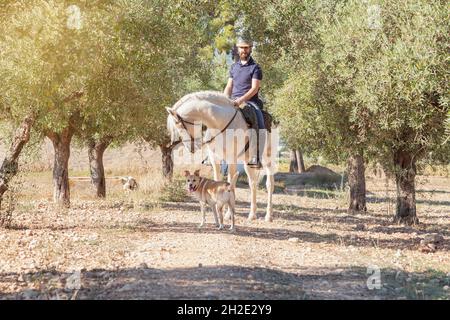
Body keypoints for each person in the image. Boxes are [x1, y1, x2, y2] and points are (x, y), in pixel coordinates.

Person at [224, 38, 265, 168]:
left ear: (251, 48)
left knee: (258, 121)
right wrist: (225, 99)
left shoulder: (255, 68)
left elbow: (254, 88)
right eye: (242, 47)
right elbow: (229, 86)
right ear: (237, 48)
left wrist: (240, 100)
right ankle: (212, 153)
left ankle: (255, 155)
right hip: (233, 101)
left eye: (246, 47)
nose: (244, 50)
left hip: (250, 102)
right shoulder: (234, 67)